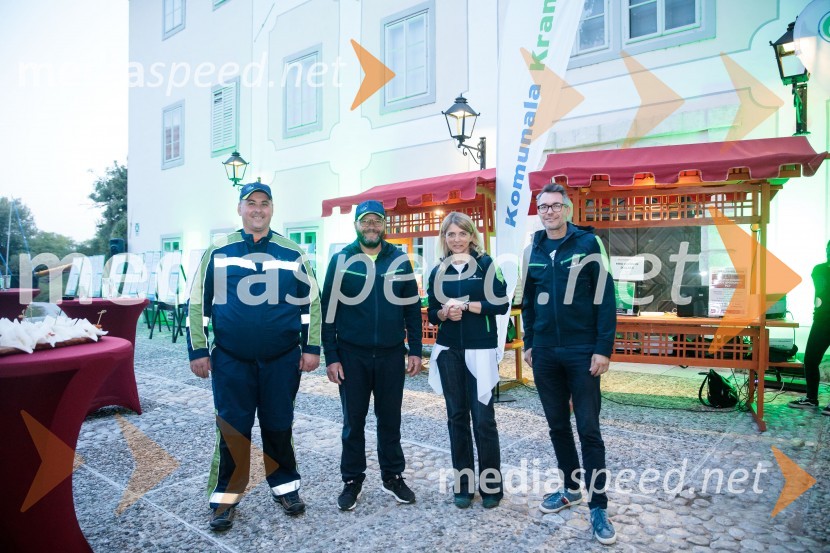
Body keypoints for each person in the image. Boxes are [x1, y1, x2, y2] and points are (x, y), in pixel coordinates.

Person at [187, 182, 321, 531]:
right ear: (240, 208)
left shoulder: (292, 252)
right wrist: (198, 349)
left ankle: (285, 487)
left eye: (264, 203)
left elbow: (311, 303)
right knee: (233, 429)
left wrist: (311, 347)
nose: (258, 209)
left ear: (272, 209)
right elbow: (198, 302)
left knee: (279, 425)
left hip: (282, 360)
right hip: (231, 360)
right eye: (251, 203)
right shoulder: (219, 251)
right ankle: (225, 499)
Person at [521, 183, 617, 546]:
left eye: (555, 206)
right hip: (546, 352)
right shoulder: (533, 249)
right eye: (543, 207)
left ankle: (598, 505)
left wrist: (602, 349)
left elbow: (605, 298)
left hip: (581, 350)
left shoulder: (588, 244)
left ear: (567, 210)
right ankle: (571, 488)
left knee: (588, 429)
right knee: (558, 426)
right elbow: (528, 301)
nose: (549, 212)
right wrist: (530, 342)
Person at [320, 199, 423, 511]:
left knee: (390, 420)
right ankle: (352, 480)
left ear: (384, 225)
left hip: (391, 355)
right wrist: (331, 356)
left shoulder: (400, 260)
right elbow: (328, 311)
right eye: (366, 221)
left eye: (377, 220)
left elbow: (412, 308)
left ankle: (392, 476)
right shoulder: (341, 260)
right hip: (352, 356)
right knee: (353, 422)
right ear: (356, 224)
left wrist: (415, 349)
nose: (371, 226)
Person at [426, 212, 509, 509]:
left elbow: (501, 303)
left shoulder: (487, 265)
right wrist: (444, 313)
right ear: (444, 238)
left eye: (462, 233)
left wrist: (466, 306)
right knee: (456, 418)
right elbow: (432, 311)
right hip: (449, 351)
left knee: (484, 420)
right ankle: (463, 484)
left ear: (472, 235)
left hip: (480, 349)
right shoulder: (438, 270)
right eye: (451, 234)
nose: (457, 239)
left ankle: (491, 486)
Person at [788, 240, 830, 415]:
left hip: (823, 319)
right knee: (811, 359)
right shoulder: (819, 270)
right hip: (822, 320)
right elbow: (823, 289)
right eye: (828, 249)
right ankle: (811, 399)